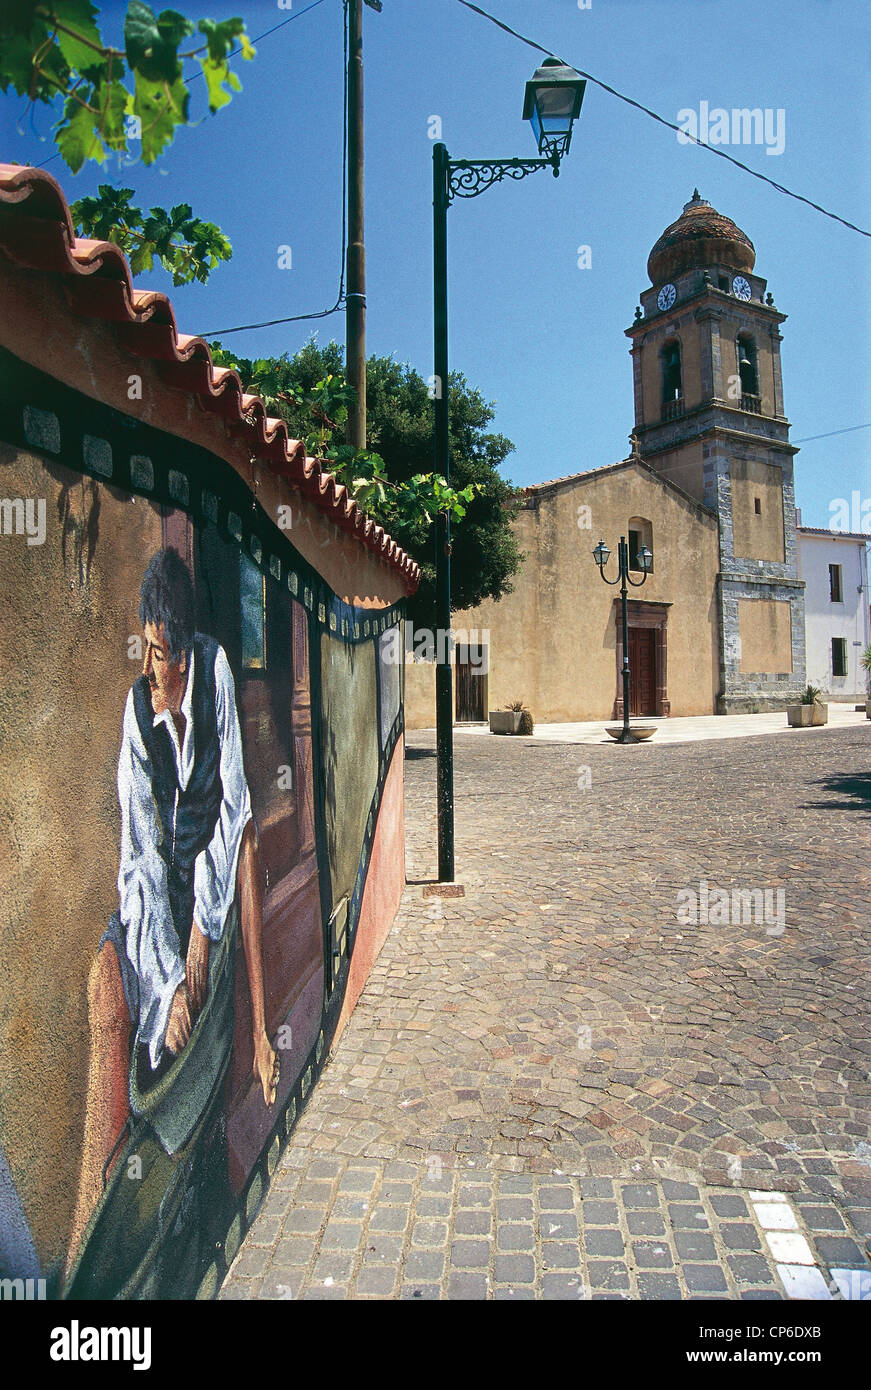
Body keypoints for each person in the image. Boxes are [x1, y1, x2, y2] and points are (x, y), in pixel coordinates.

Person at [66, 547, 278, 1279]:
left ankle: (203, 1224)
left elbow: (231, 810)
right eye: (150, 653)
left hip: (208, 915)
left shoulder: (214, 671)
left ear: (188, 648)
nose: (158, 672)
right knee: (158, 1068)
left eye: (168, 655)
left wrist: (200, 946)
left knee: (206, 1067)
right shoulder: (136, 715)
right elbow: (141, 865)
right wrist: (163, 988)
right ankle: (145, 1251)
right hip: (158, 929)